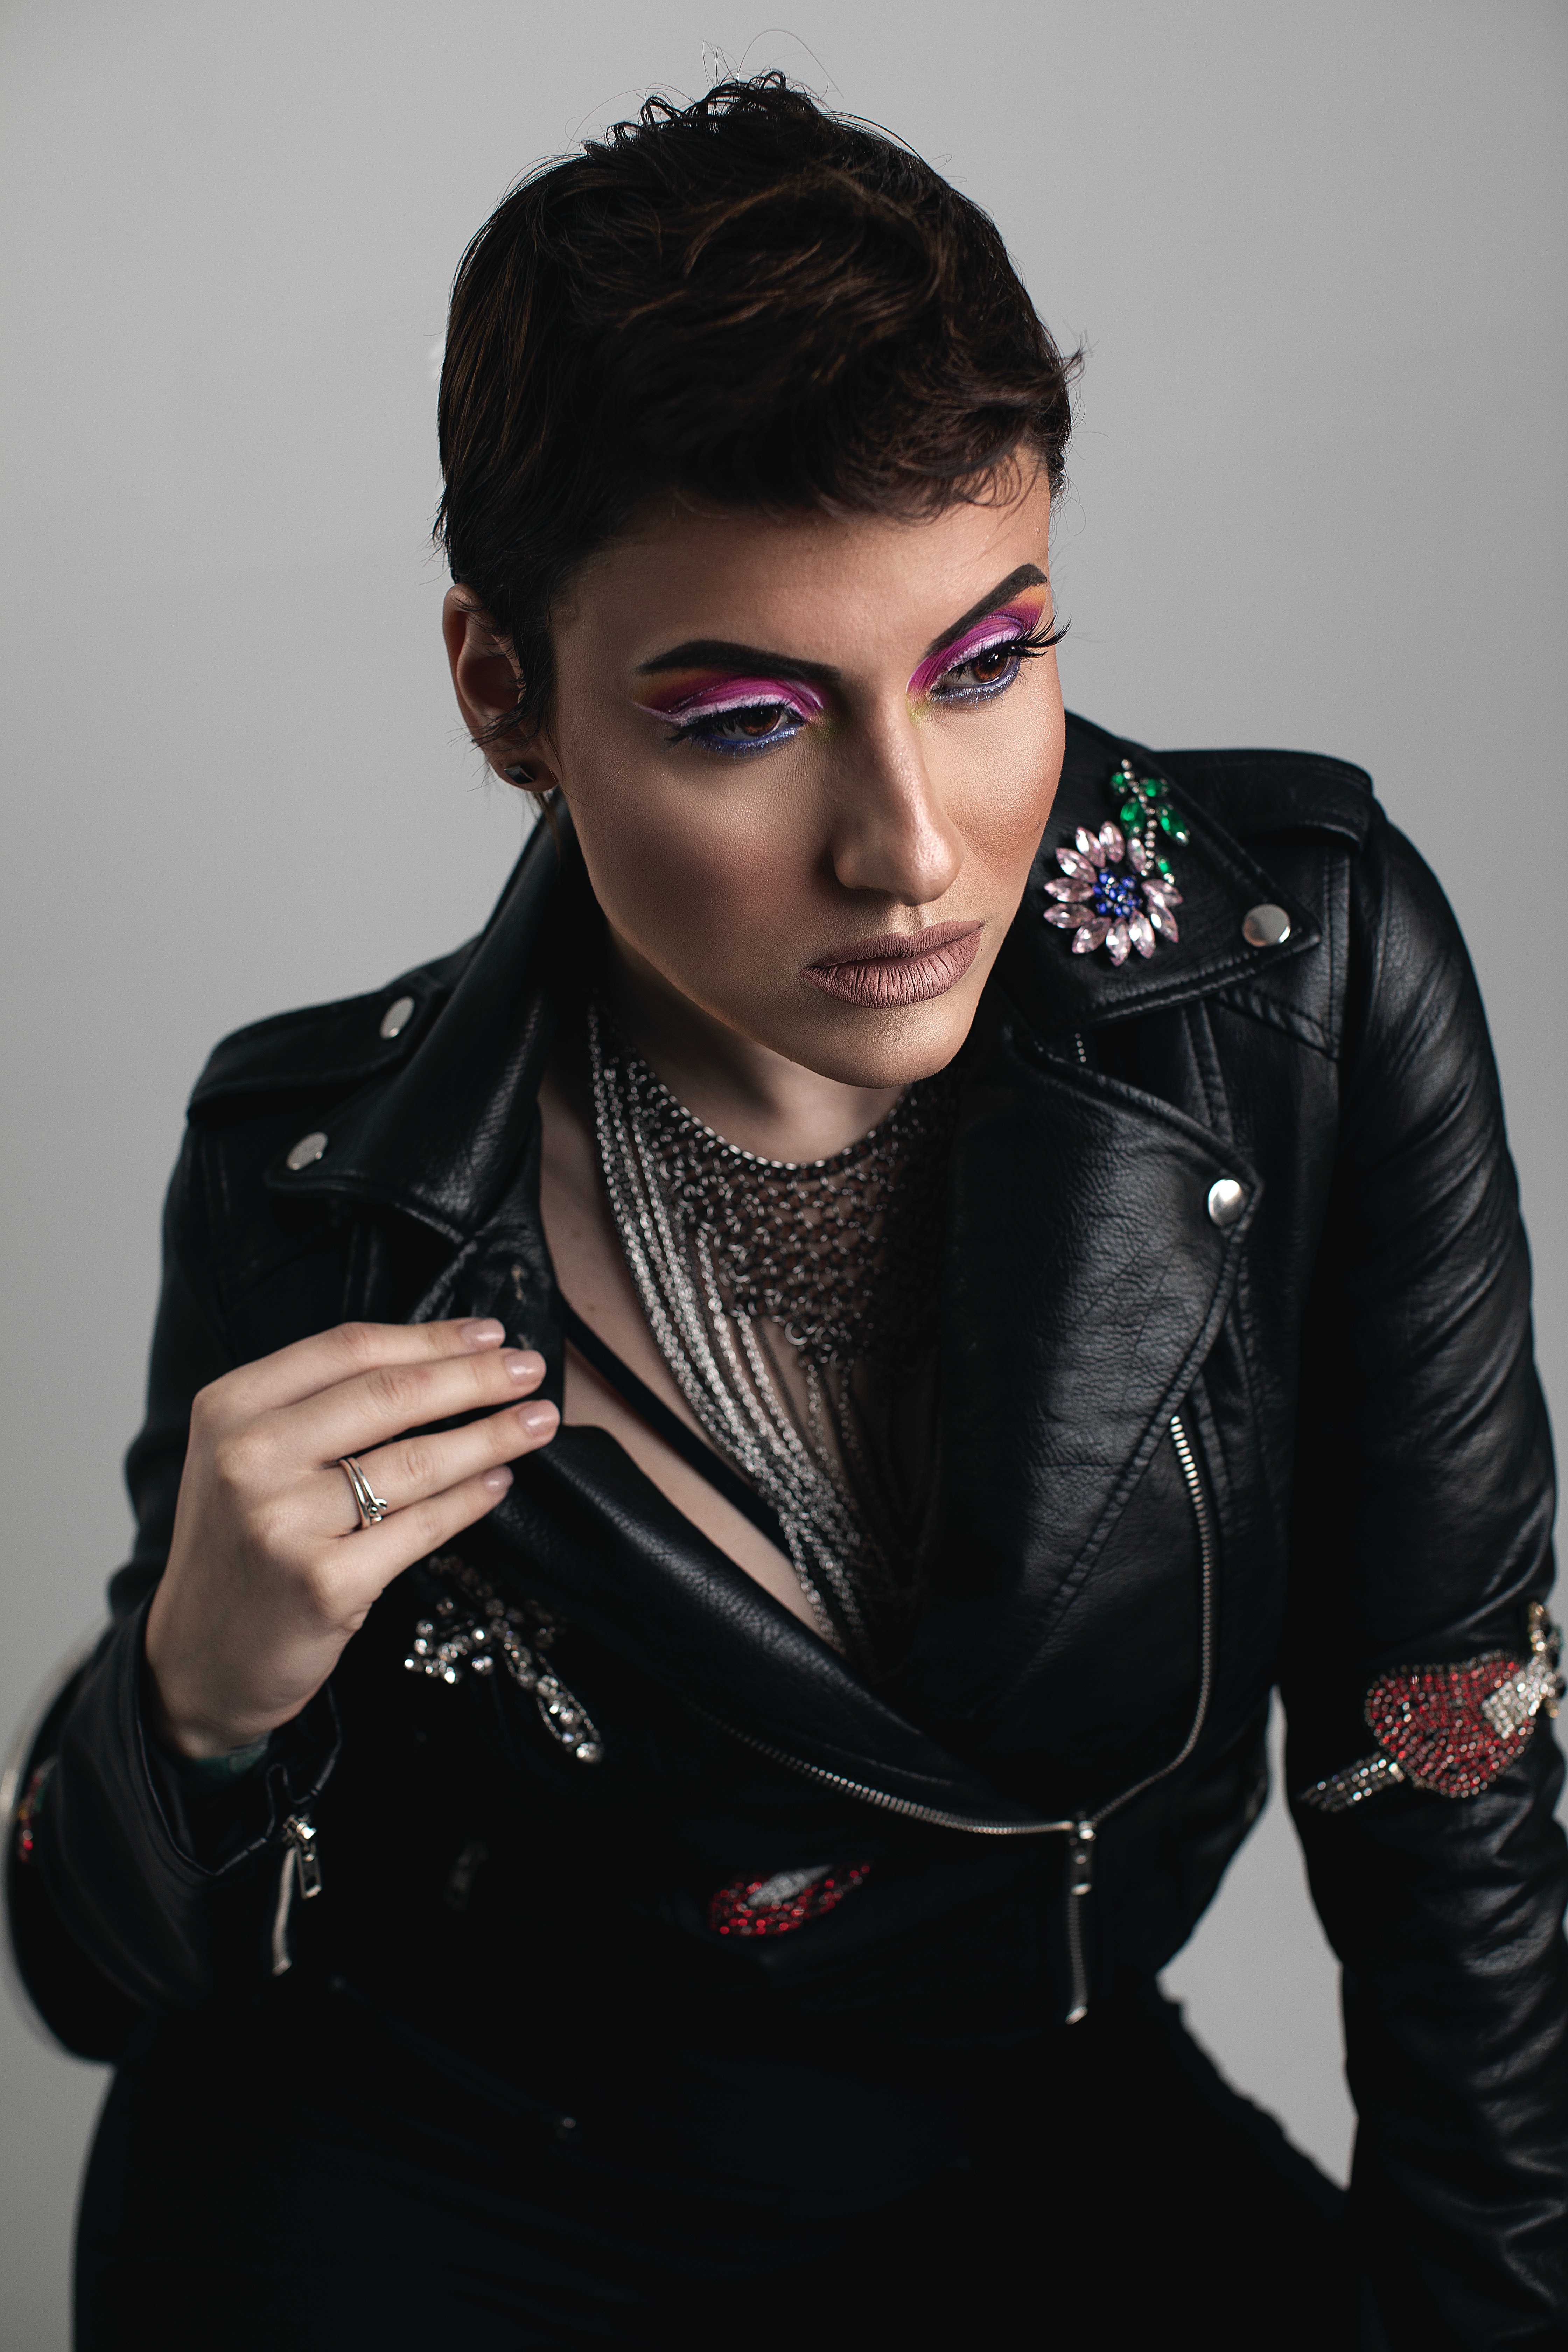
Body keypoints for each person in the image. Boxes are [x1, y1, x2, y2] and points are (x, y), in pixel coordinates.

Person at [7, 75, 1564, 2351]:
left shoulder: (1296, 982)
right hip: (445, 2206)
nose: (913, 844)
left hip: (1024, 2144)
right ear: (504, 693)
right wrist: (192, 1707)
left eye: (988, 661)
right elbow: (95, 1972)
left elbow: (1446, 1775)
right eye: (747, 717)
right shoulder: (327, 1189)